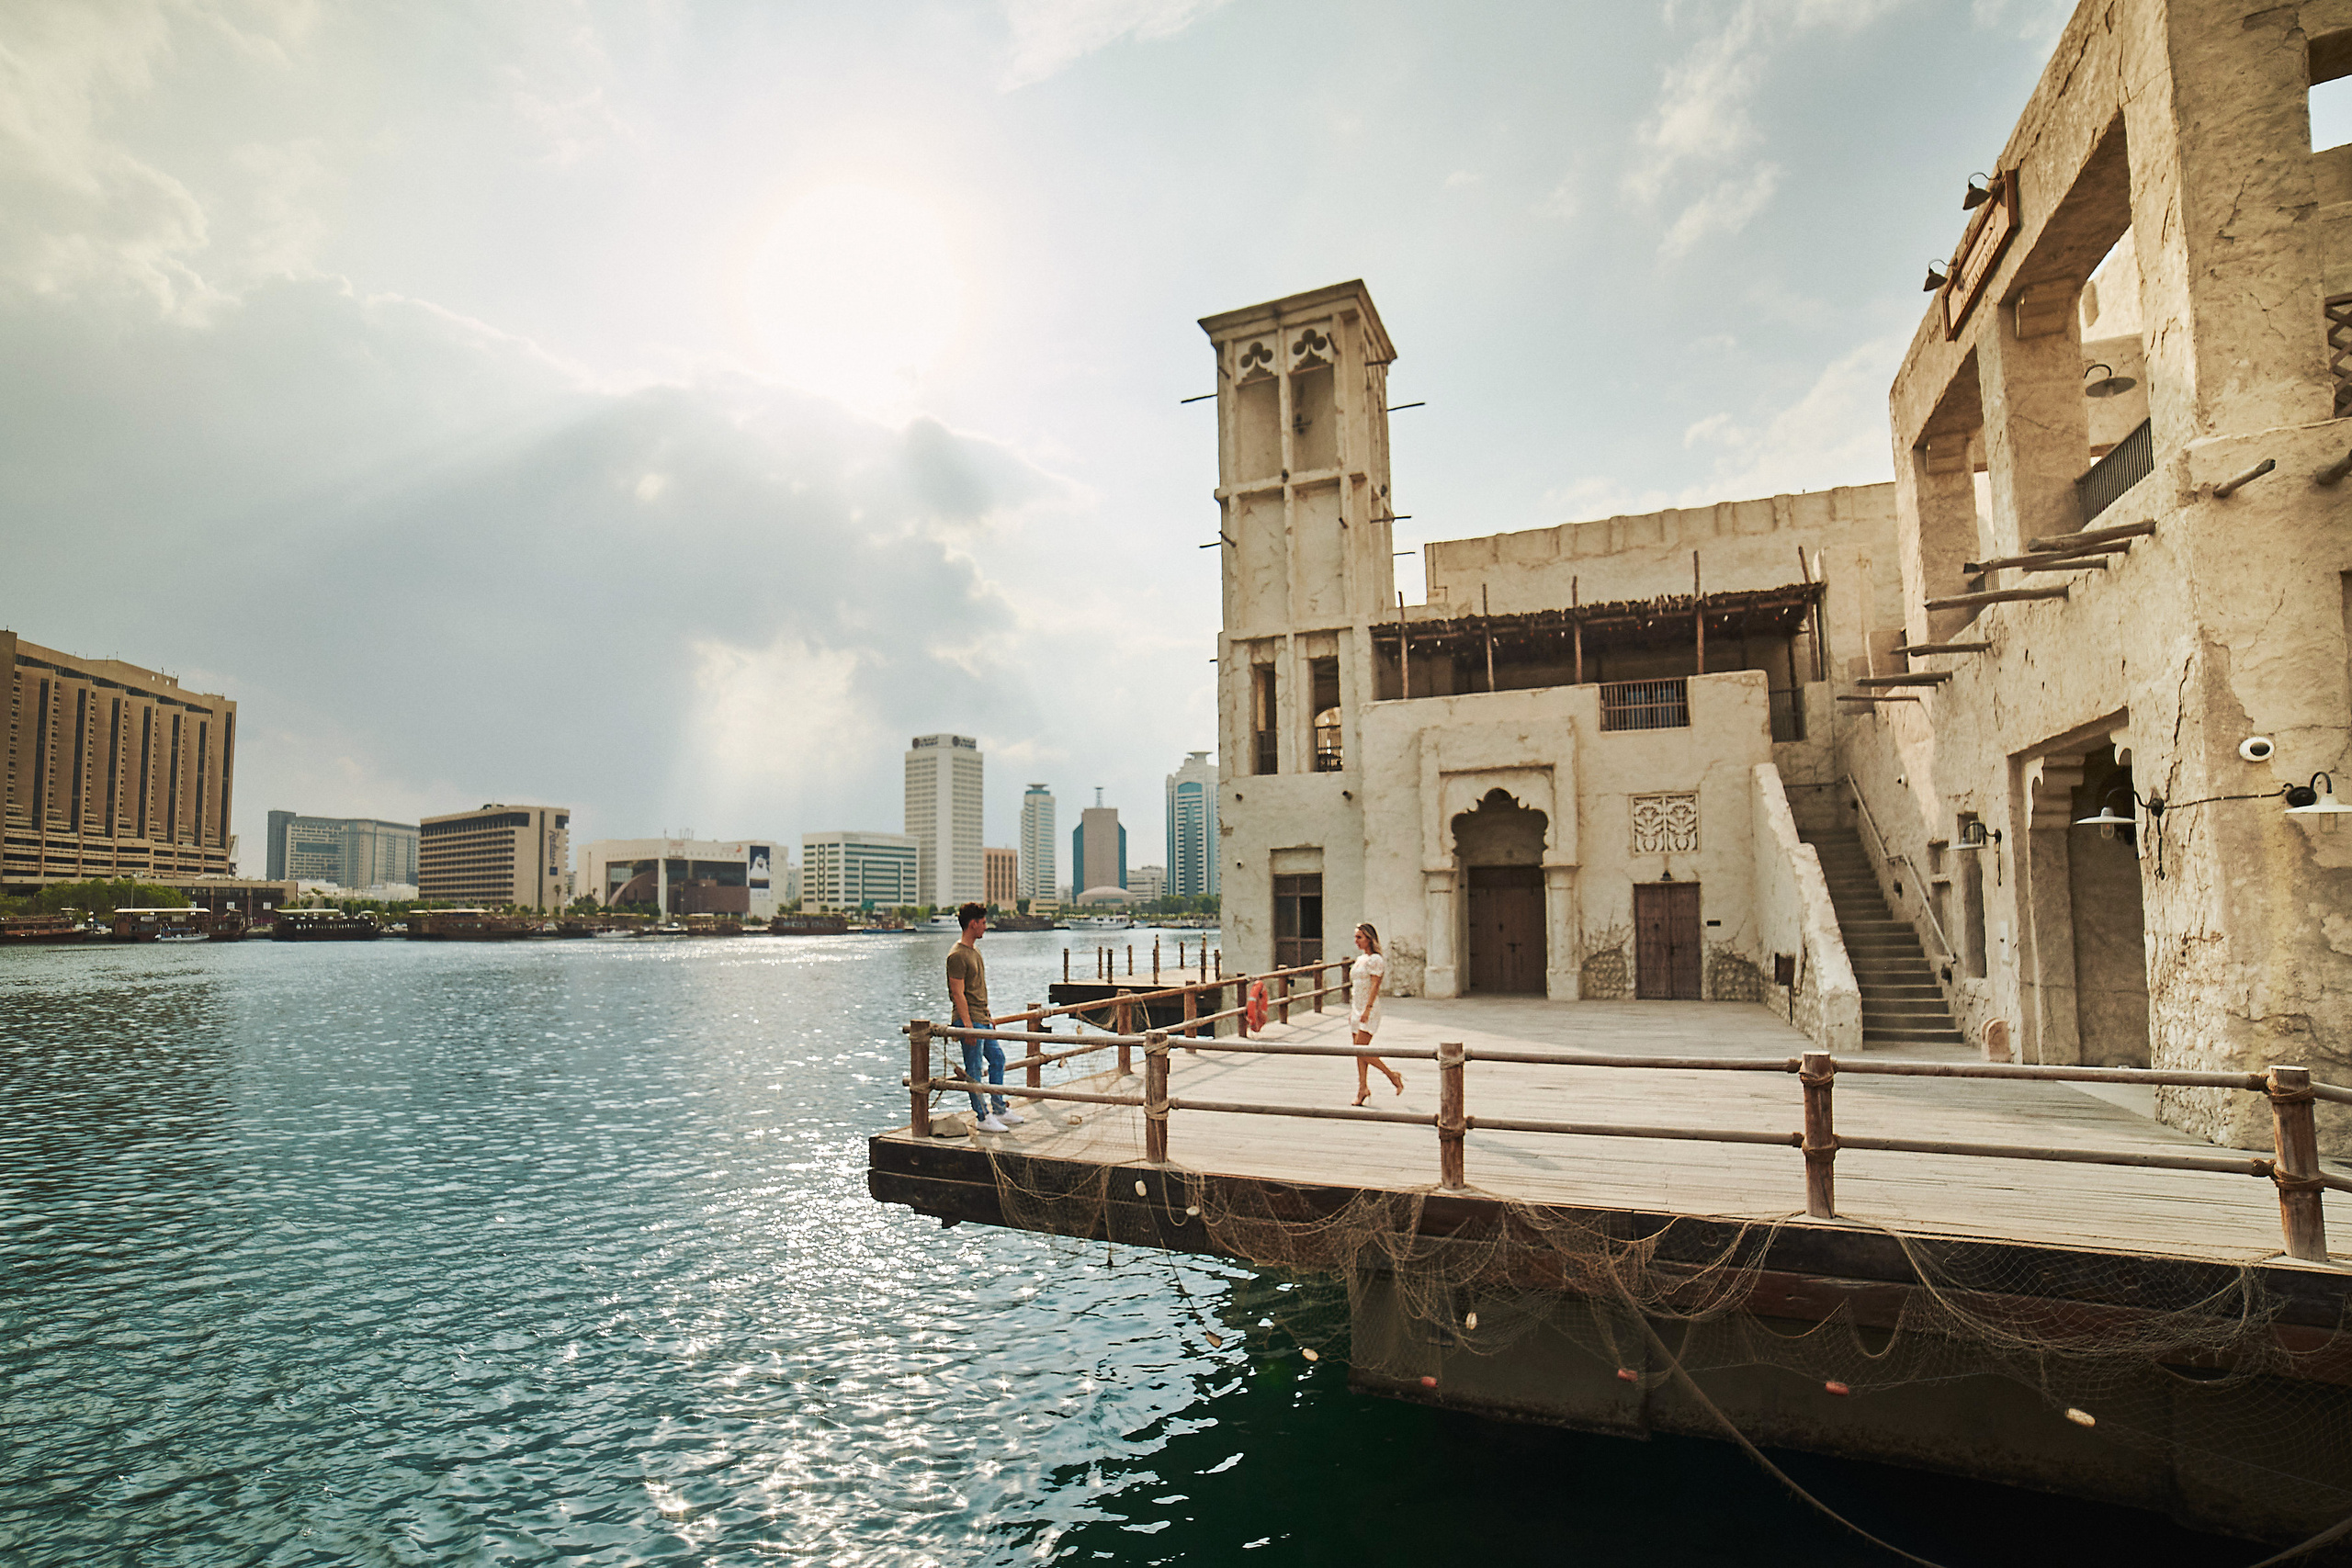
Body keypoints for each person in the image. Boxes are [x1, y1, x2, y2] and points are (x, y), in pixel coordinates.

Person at [946, 901, 1023, 1133]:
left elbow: (977, 988)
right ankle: (982, 1117)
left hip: (982, 1018)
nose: (985, 927)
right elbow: (957, 994)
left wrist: (988, 1016)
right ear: (972, 924)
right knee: (974, 1068)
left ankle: (999, 1108)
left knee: (998, 1059)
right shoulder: (957, 955)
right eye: (982, 923)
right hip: (969, 1021)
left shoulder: (974, 951)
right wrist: (968, 1027)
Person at [1349, 922, 1404, 1107]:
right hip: (1356, 1007)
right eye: (1355, 937)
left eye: (1359, 937)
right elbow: (1356, 987)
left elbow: (1375, 985)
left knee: (1361, 1049)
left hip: (1368, 1008)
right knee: (1359, 1052)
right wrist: (1353, 1011)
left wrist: (1368, 1009)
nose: (1356, 941)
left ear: (1369, 939)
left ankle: (1392, 1075)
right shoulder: (1360, 959)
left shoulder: (1376, 960)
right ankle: (1362, 1087)